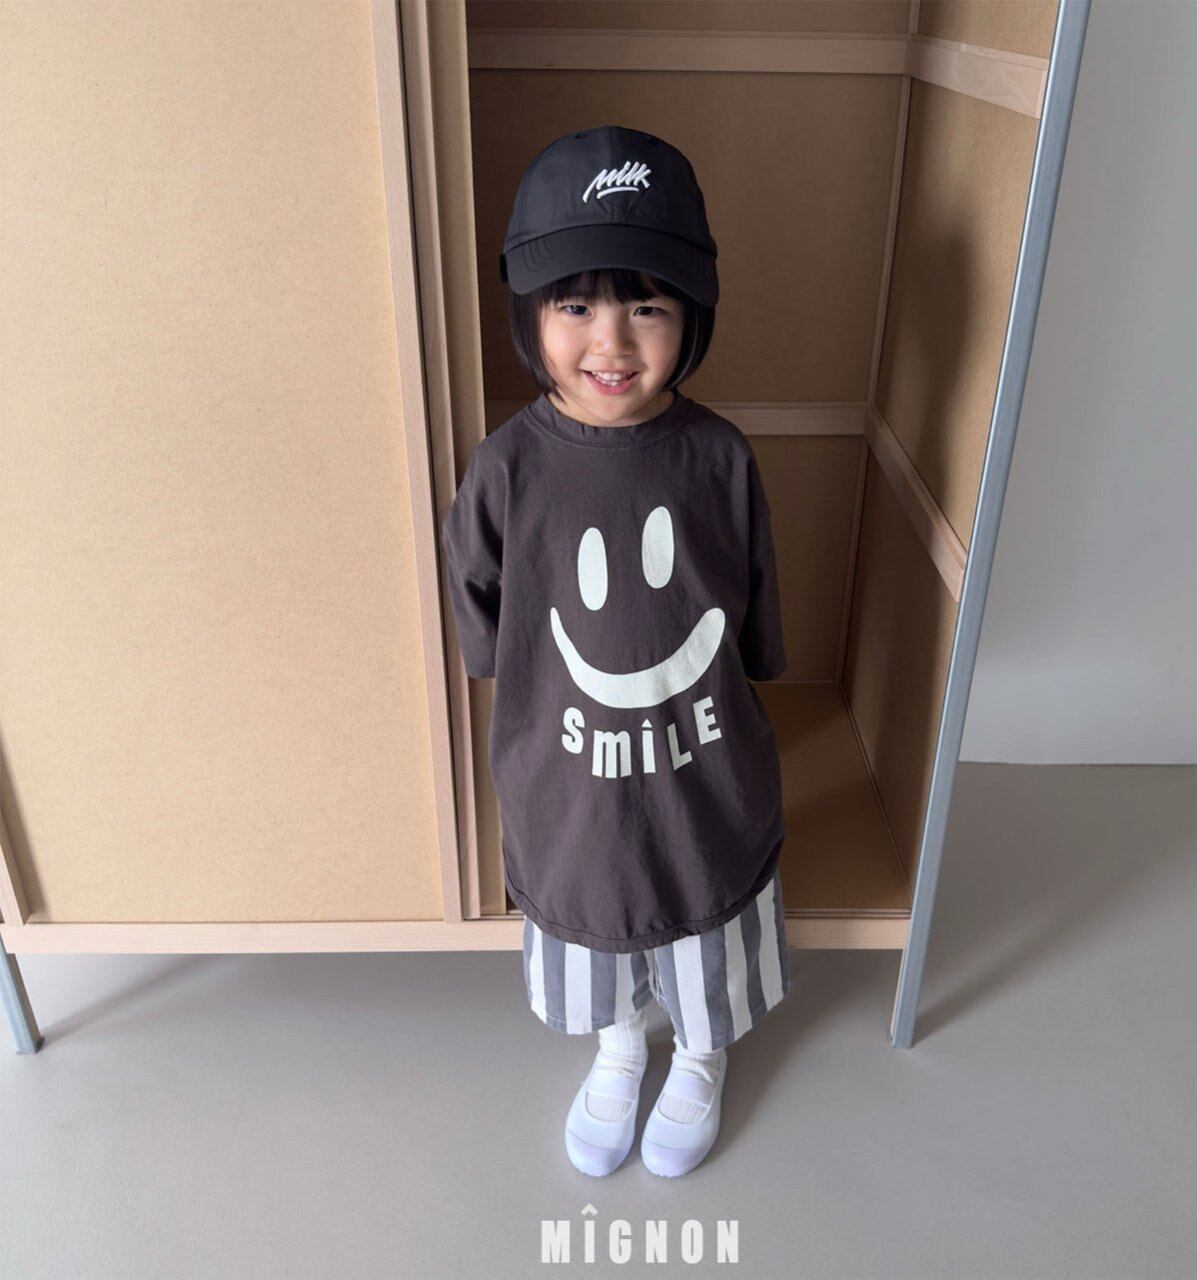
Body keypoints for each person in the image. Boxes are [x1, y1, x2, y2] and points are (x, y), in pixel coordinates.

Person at [441, 126, 790, 1178]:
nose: (612, 341)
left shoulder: (718, 456)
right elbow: (477, 603)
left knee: (702, 904)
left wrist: (760, 665)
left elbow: (754, 596)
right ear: (531, 315)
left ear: (691, 318)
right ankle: (619, 1045)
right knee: (590, 907)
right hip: (569, 772)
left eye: (646, 306)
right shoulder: (505, 468)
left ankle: (700, 1052)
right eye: (575, 306)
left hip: (703, 764)